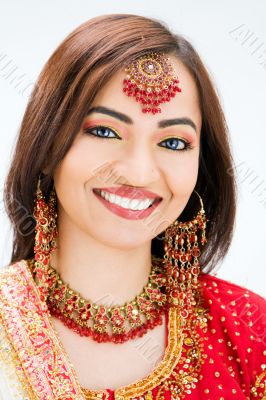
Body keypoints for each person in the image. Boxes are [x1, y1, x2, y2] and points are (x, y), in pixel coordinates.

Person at [0, 13, 265, 400]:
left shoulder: (249, 330)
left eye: (173, 142)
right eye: (104, 132)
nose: (139, 173)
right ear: (46, 148)